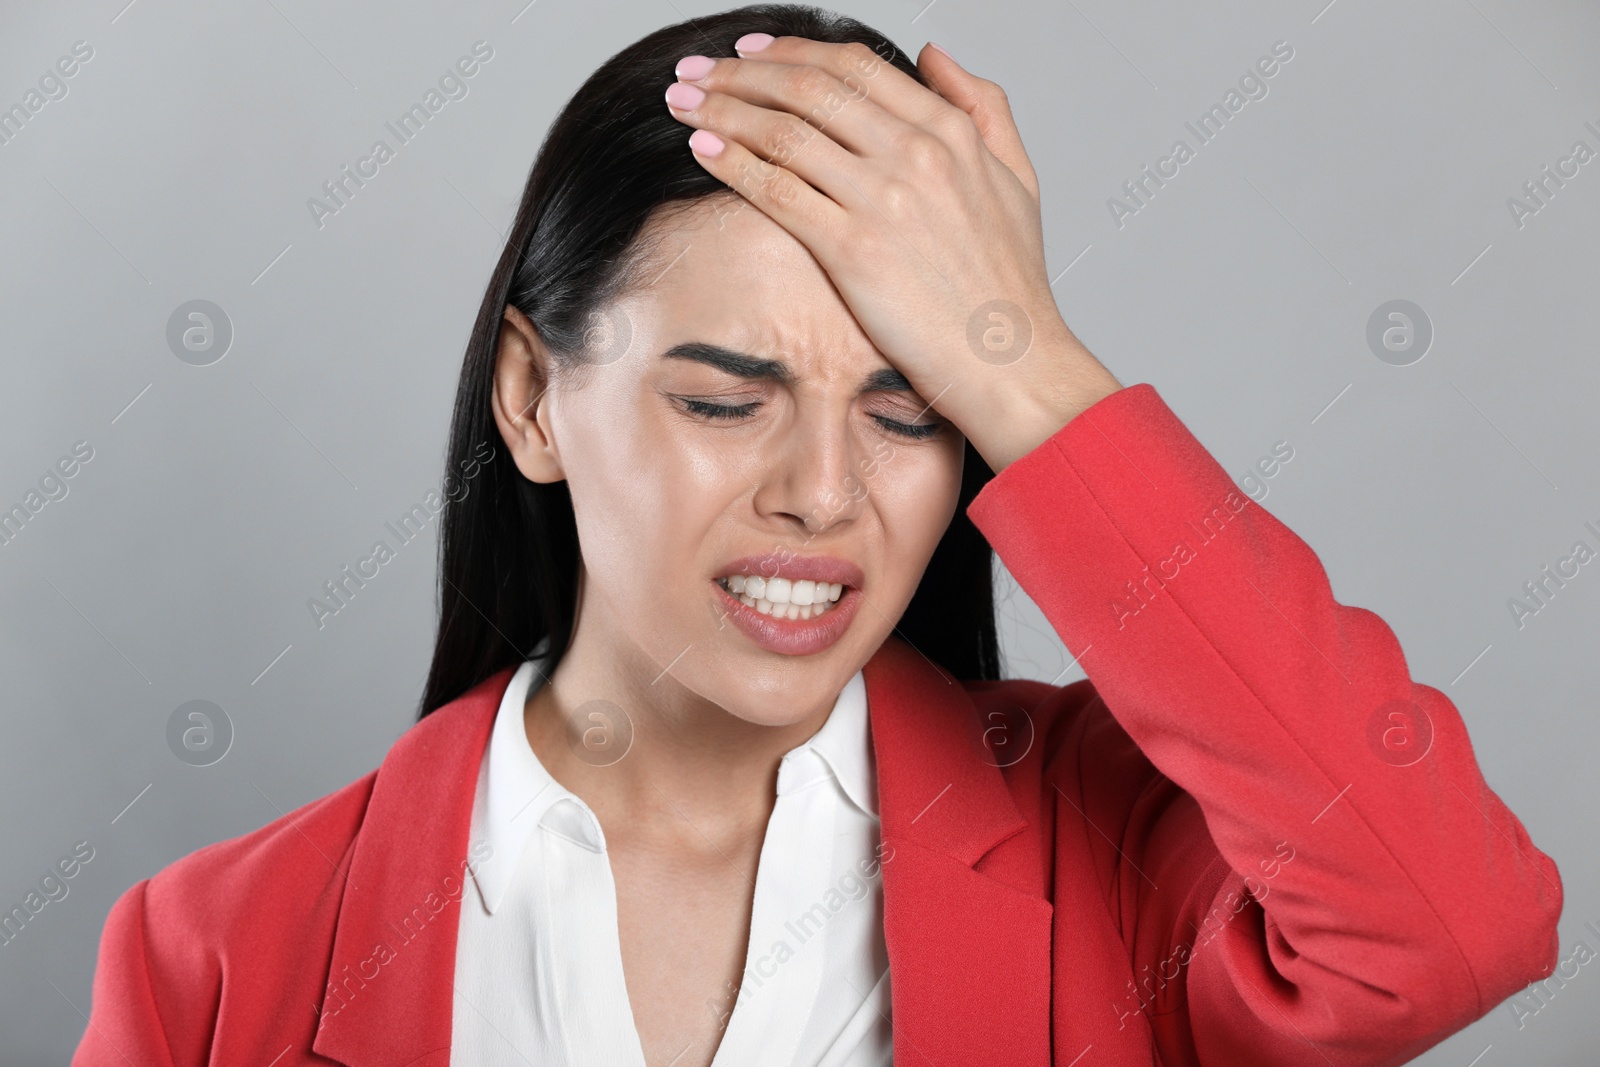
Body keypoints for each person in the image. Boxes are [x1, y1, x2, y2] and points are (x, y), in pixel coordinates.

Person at [72, 5, 1562, 1065]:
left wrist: (1020, 354)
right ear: (534, 399)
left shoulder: (1113, 861)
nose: (828, 495)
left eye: (914, 414)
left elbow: (1455, 928)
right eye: (726, 400)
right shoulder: (210, 956)